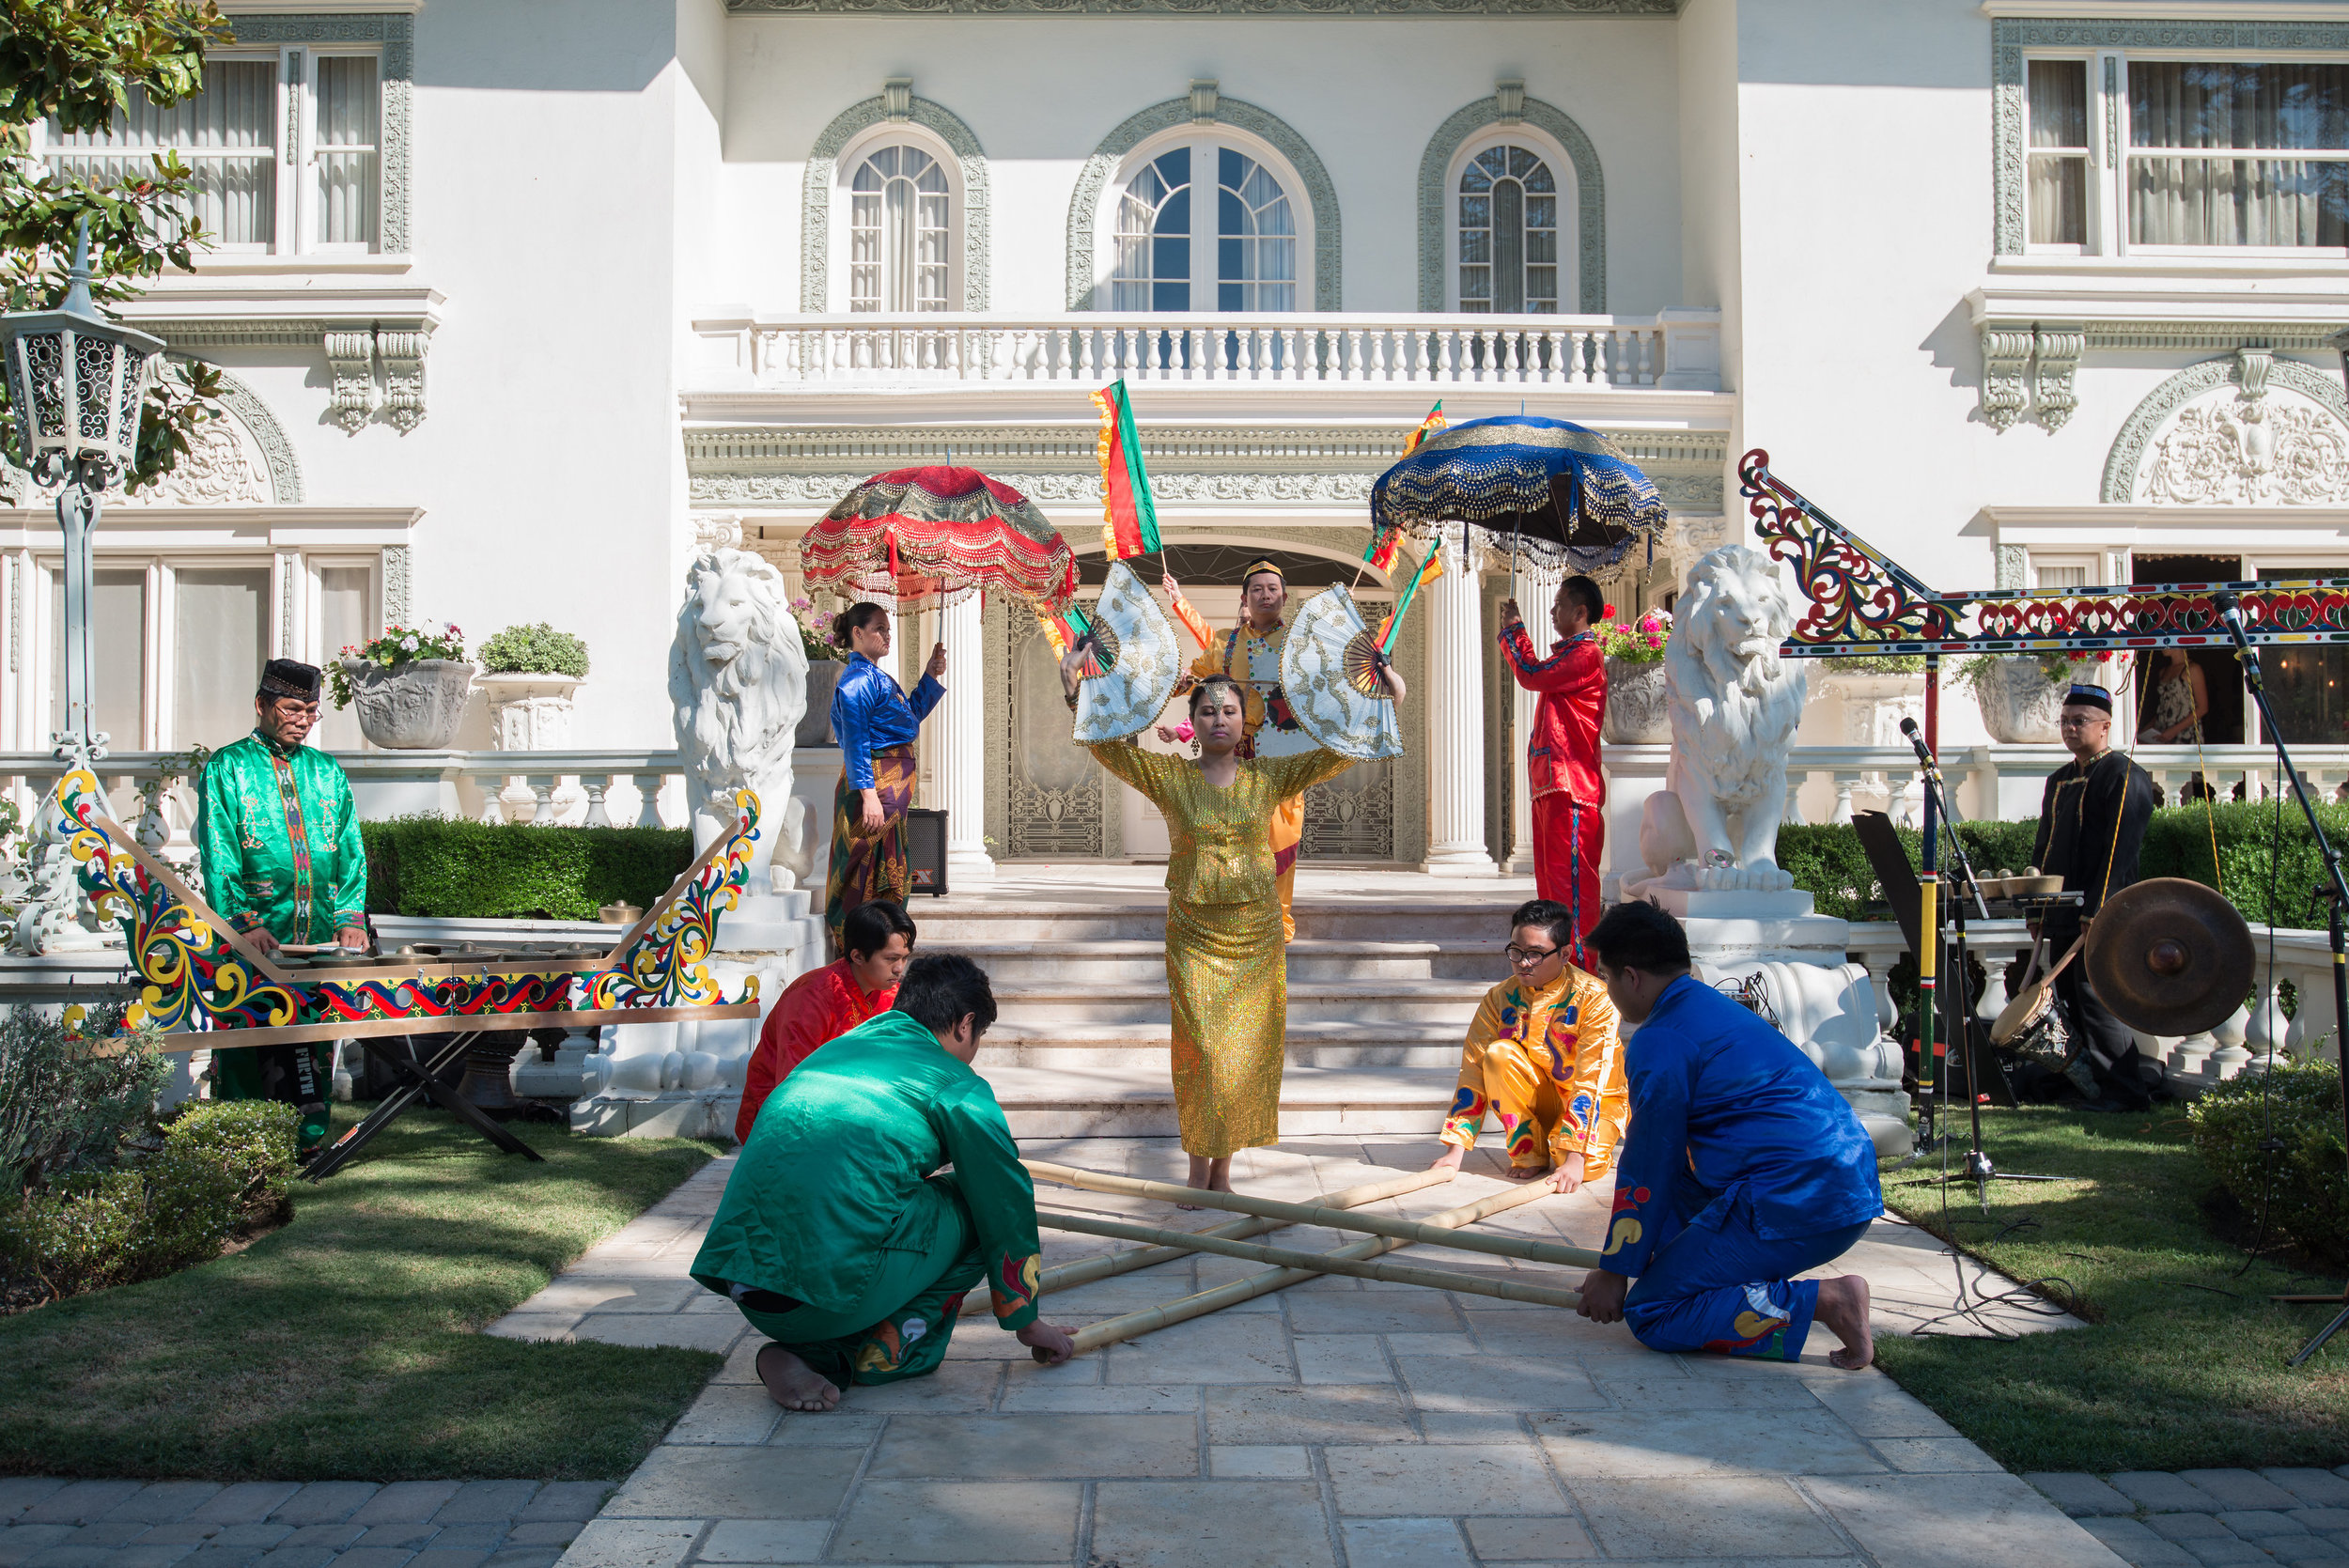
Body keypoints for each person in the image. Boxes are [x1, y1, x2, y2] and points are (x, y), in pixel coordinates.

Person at [1066, 648, 1407, 1195]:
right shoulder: (1170, 777)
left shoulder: (1268, 777)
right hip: (1195, 934)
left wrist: (1388, 700)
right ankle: (1198, 1169)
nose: (1218, 719)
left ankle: (1221, 1175)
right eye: (1207, 711)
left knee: (1242, 1054)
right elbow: (1107, 749)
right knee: (1201, 1051)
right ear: (1193, 722)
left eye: (1228, 710)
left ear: (1243, 720)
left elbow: (1337, 753)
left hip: (1256, 936)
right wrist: (1073, 691)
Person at [691, 953, 1077, 1412]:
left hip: (746, 1285)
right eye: (980, 1037)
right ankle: (846, 1357)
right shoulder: (953, 1081)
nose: (974, 1051)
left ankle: (798, 1350)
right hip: (815, 1304)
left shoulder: (838, 1047)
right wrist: (1027, 1321)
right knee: (979, 1203)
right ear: (964, 1024)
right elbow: (1006, 1197)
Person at [1571, 900, 1881, 1369]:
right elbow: (1667, 1169)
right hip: (1842, 1181)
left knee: (1652, 1311)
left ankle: (1828, 1301)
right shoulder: (1707, 1003)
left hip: (1800, 1200)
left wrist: (1615, 1271)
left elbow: (1650, 1160)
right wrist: (1626, 1261)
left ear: (1631, 977)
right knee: (1671, 1235)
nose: (1607, 989)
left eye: (1607, 976)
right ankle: (1684, 1270)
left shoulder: (1662, 1038)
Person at [194, 659, 368, 1157]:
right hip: (255, 940)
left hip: (317, 941)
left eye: (312, 710)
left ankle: (309, 1142)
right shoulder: (228, 767)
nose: (303, 719)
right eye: (293, 708)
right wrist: (242, 924)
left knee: (313, 1041)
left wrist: (350, 919)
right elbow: (219, 852)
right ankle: (245, 1146)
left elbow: (350, 850)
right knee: (250, 1040)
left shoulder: (327, 771)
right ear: (262, 705)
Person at [1164, 559, 1315, 941]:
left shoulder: (1303, 642)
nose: (1266, 595)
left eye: (1273, 589)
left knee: (1281, 837)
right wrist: (1180, 684)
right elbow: (1199, 678)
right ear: (1245, 597)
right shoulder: (1226, 643)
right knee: (1234, 838)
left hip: (1284, 754)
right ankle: (1235, 913)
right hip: (1238, 757)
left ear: (1284, 596)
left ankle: (1278, 922)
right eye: (1257, 589)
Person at [1428, 898, 1626, 1191]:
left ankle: (1572, 1148)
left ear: (1565, 954)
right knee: (1497, 1055)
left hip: (1599, 1101)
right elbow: (1472, 1070)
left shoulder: (1594, 997)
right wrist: (1455, 1152)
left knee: (1583, 1166)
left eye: (1535, 954)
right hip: (1540, 1095)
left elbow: (1591, 1079)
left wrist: (1575, 1156)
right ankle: (1530, 1151)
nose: (1522, 962)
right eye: (1516, 951)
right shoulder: (1499, 997)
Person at [2029, 683, 2162, 1110]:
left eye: (2079, 721)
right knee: (2067, 995)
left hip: (2104, 911)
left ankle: (2124, 1091)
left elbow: (2121, 851)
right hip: (2063, 910)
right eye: (2065, 721)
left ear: (2104, 727)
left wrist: (2100, 908)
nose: (2069, 728)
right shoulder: (2060, 779)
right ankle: (2084, 1082)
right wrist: (2038, 907)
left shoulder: (2125, 775)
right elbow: (2045, 847)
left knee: (2095, 995)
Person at [734, 899, 916, 1143]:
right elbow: (793, 1087)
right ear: (858, 956)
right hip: (787, 1124)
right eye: (891, 959)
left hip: (852, 1110)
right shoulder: (811, 998)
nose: (899, 969)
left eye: (904, 958)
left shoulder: (891, 994)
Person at [1496, 576, 1607, 962]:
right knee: (1551, 888)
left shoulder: (1585, 654)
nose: (1552, 611)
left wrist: (1515, 631)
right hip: (1551, 785)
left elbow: (1532, 674)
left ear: (1580, 612)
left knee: (1572, 891)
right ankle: (1557, 967)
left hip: (1571, 786)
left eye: (1559, 604)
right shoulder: (1569, 654)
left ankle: (1580, 972)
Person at [825, 602, 946, 951]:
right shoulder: (857, 681)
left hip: (890, 790)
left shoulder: (877, 677)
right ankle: (859, 950)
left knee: (888, 868)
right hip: (876, 788)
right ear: (857, 634)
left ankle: (884, 947)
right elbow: (856, 742)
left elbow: (907, 719)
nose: (887, 635)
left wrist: (930, 676)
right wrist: (868, 795)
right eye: (879, 628)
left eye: (888, 629)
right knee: (862, 871)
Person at [2142, 647, 2211, 746]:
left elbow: (2202, 708)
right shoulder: (2164, 671)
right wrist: (2145, 731)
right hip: (2162, 734)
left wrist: (2172, 732)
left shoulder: (2192, 669)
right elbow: (2163, 708)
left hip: (2185, 735)